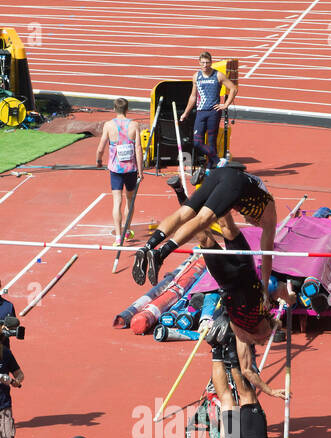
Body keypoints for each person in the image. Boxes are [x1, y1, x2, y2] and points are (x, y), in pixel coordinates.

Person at [132, 164, 277, 291]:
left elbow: (225, 219)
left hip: (222, 173)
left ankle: (147, 247)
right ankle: (161, 254)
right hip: (233, 182)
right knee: (202, 220)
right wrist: (264, 288)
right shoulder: (269, 220)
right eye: (250, 221)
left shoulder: (253, 198)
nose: (248, 221)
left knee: (184, 213)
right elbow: (267, 257)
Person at [95, 98, 143, 242]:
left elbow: (101, 147)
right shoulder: (134, 125)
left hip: (116, 169)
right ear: (127, 109)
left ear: (114, 109)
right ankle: (127, 230)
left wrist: (98, 160)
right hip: (131, 169)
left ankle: (118, 236)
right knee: (129, 200)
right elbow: (138, 148)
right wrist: (140, 170)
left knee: (117, 201)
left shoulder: (109, 125)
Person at [180, 51, 236, 171]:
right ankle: (217, 160)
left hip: (213, 112)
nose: (205, 65)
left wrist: (225, 105)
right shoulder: (196, 76)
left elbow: (233, 88)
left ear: (211, 62)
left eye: (207, 62)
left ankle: (210, 168)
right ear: (199, 63)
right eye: (203, 63)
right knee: (197, 142)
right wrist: (186, 113)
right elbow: (193, 96)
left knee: (211, 140)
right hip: (200, 112)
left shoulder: (218, 75)